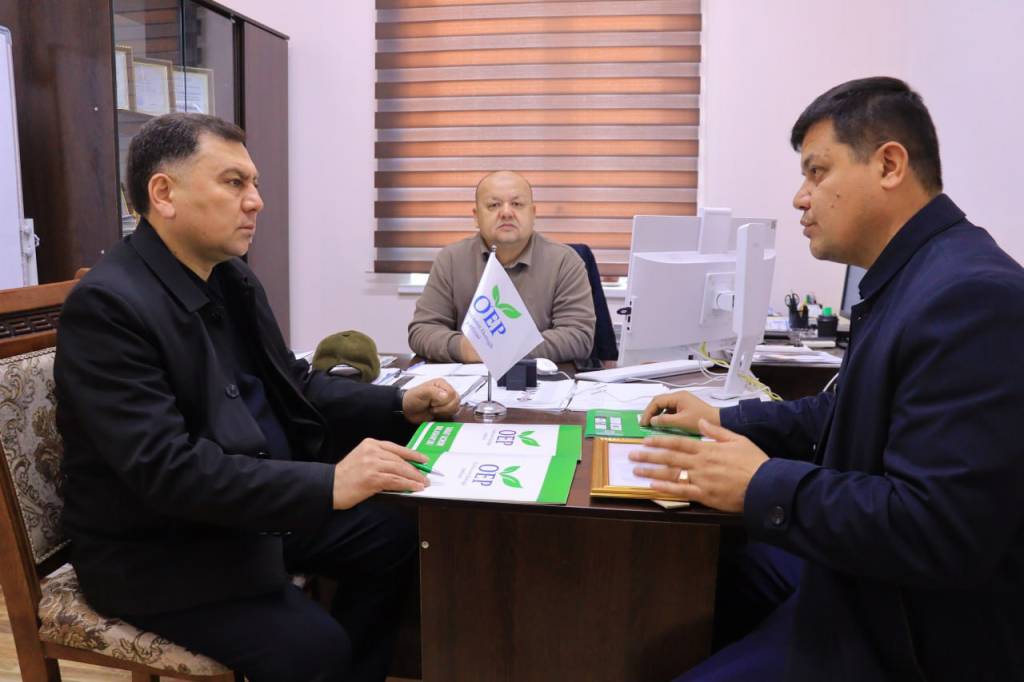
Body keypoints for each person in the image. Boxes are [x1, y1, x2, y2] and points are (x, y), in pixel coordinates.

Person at [632, 77, 1024, 681]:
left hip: (906, 630)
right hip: (864, 579)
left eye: (817, 172)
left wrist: (760, 482)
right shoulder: (913, 279)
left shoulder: (972, 299)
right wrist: (722, 419)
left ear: (889, 164)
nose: (800, 198)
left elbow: (936, 529)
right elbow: (839, 415)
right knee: (694, 576)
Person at [54, 113, 461, 682]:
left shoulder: (230, 277)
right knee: (314, 649)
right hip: (160, 549)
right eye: (234, 182)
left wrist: (398, 405)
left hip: (246, 512)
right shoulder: (108, 307)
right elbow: (166, 469)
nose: (256, 201)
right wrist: (328, 483)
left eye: (254, 183)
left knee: (393, 540)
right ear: (164, 194)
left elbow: (292, 384)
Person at [407, 170, 595, 362]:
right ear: (476, 217)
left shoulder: (565, 261)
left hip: (537, 377)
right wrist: (462, 348)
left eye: (517, 204)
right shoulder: (451, 259)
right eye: (494, 205)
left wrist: (500, 350)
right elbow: (422, 330)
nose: (506, 213)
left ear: (533, 213)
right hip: (469, 377)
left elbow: (578, 336)